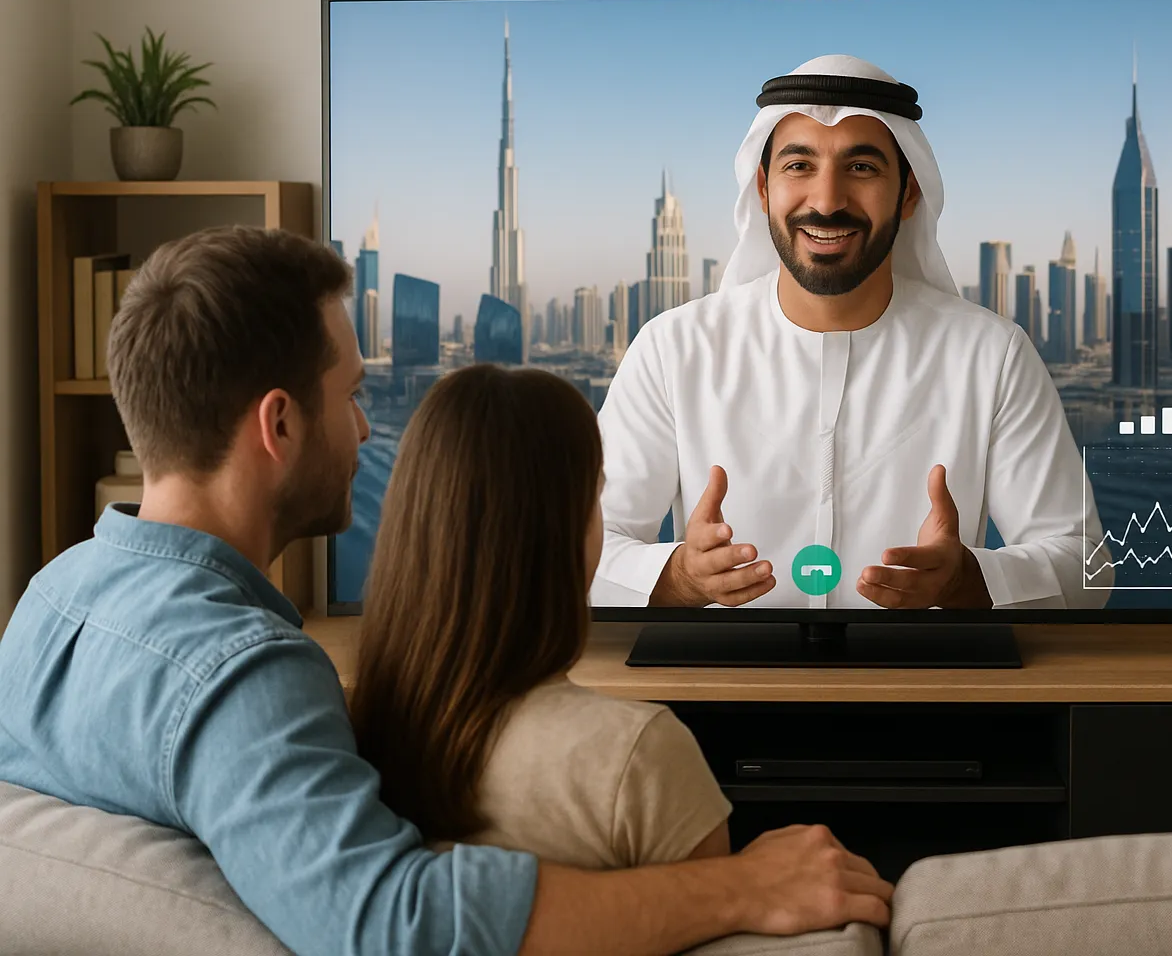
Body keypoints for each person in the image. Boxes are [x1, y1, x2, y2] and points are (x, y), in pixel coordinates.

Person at [0, 226, 892, 956]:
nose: (364, 427)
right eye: (351, 394)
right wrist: (734, 887)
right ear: (278, 424)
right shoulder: (240, 678)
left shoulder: (49, 601)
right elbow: (395, 921)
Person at [594, 54, 1111, 612]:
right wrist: (678, 578)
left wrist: (968, 579)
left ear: (908, 194)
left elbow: (1087, 566)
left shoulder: (991, 356)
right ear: (764, 189)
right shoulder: (673, 350)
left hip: (925, 693)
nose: (827, 200)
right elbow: (578, 554)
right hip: (719, 691)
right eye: (799, 166)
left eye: (861, 168)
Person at [349, 364, 732, 869]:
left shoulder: (348, 741)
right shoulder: (640, 754)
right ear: (565, 532)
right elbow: (715, 911)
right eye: (595, 497)